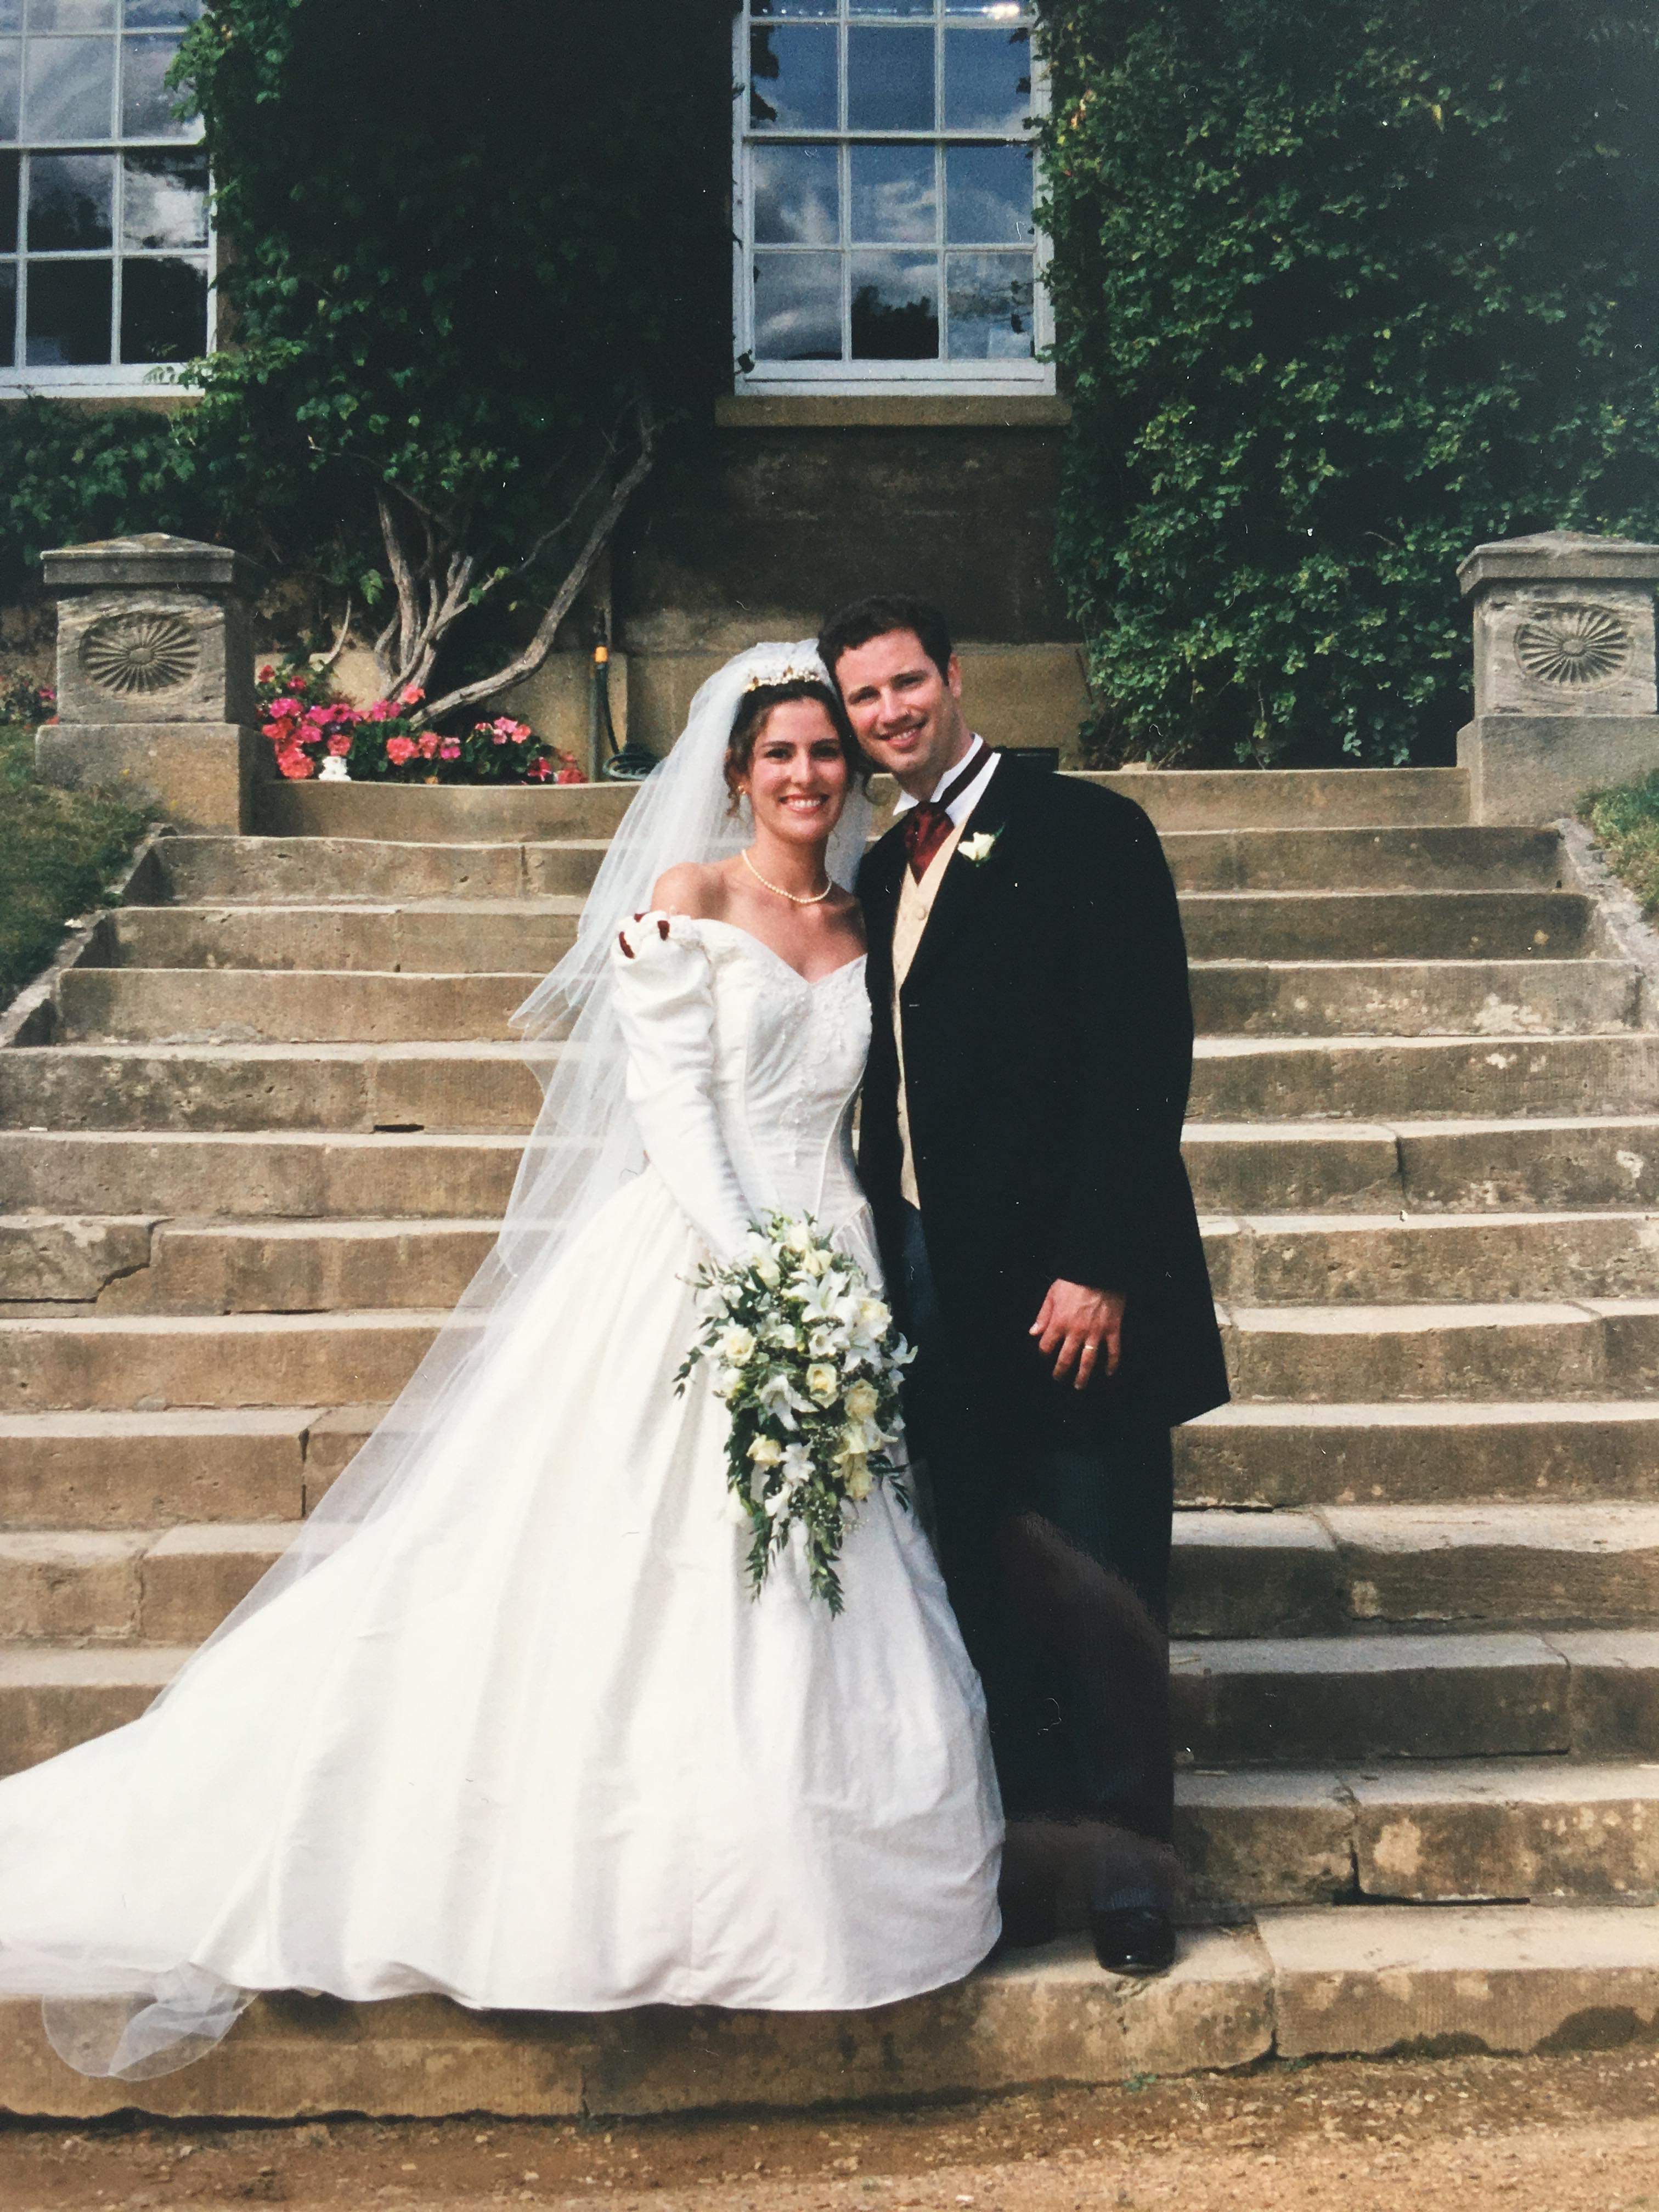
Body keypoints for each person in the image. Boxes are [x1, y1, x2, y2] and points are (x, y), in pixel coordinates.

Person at [0, 644, 1001, 2081]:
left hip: (831, 1261)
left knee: (820, 1570)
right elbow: (675, 1118)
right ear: (735, 771)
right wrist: (766, 1287)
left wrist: (833, 1286)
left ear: (851, 770)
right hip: (700, 1264)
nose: (803, 775)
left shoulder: (862, 913)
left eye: (825, 754)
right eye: (778, 754)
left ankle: (800, 1886)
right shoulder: (689, 904)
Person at [819, 594, 1229, 1977]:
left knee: (1102, 1572)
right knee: (988, 1576)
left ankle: (1128, 1880)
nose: (888, 715)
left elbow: (1141, 1058)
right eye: (863, 698)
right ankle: (1022, 1871)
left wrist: (1099, 1265)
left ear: (956, 676)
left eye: (905, 685)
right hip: (937, 1284)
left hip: (1073, 1286)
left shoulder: (1090, 833)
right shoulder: (878, 875)